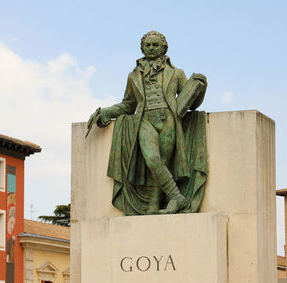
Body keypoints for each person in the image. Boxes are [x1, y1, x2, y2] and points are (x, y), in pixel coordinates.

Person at [87, 31, 206, 215]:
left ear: (164, 47)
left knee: (162, 164)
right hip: (144, 120)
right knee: (152, 160)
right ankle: (177, 196)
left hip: (168, 120)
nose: (151, 48)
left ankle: (154, 204)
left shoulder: (176, 73)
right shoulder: (133, 75)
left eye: (155, 45)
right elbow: (128, 104)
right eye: (148, 45)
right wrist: (105, 112)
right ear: (142, 48)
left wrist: (200, 86)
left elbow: (190, 103)